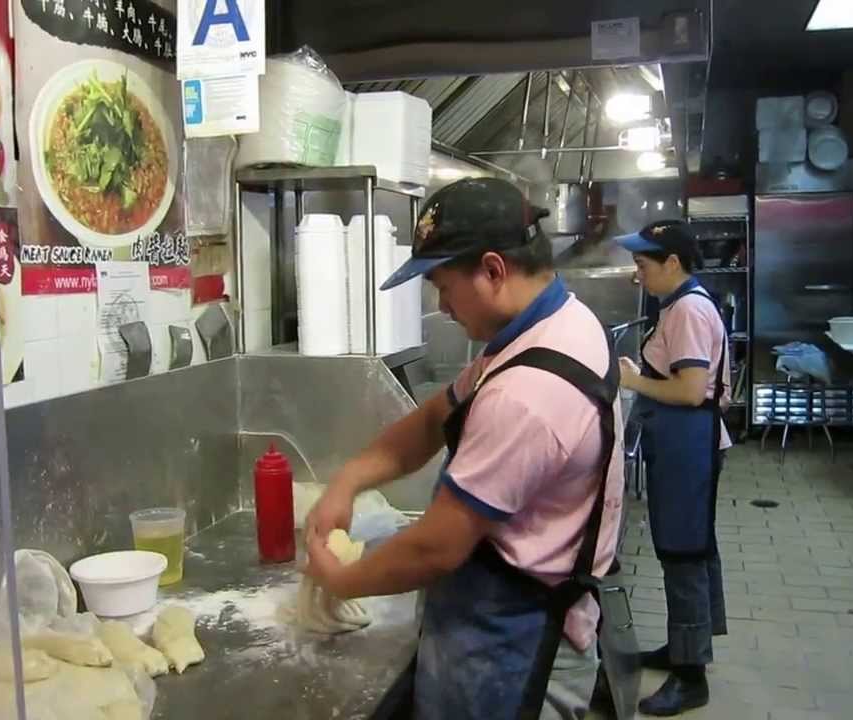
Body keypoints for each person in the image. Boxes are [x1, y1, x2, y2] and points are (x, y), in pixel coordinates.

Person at [302, 177, 626, 720]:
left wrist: (339, 581)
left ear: (494, 270)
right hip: (494, 631)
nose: (441, 305)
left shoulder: (527, 395)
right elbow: (435, 417)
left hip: (513, 654)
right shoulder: (549, 325)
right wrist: (349, 479)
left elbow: (438, 548)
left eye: (444, 285)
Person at [615, 221, 731, 717]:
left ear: (673, 263)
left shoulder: (687, 309)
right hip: (686, 441)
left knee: (684, 552)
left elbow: (688, 390)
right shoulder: (683, 303)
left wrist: (632, 381)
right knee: (690, 549)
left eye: (643, 266)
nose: (637, 275)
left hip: (689, 441)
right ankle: (684, 648)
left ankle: (691, 678)